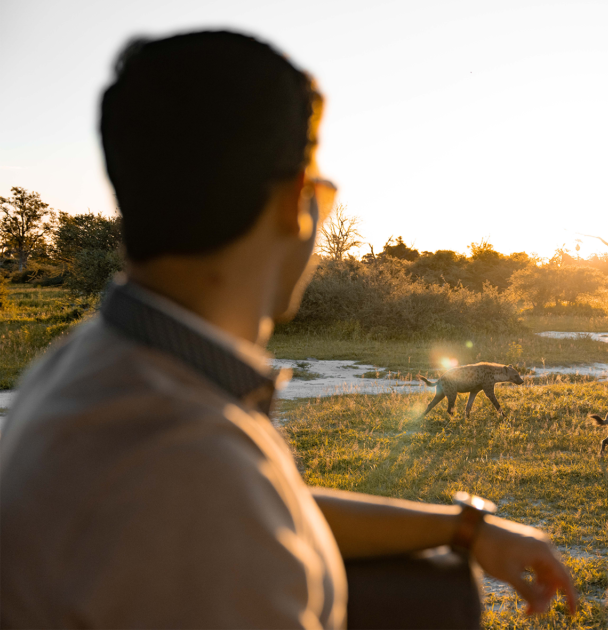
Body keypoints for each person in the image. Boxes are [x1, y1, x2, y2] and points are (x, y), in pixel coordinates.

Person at [0, 31, 577, 628]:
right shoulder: (190, 453)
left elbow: (261, 508)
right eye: (319, 189)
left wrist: (463, 529)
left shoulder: (89, 366)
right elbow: (221, 496)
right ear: (293, 201)